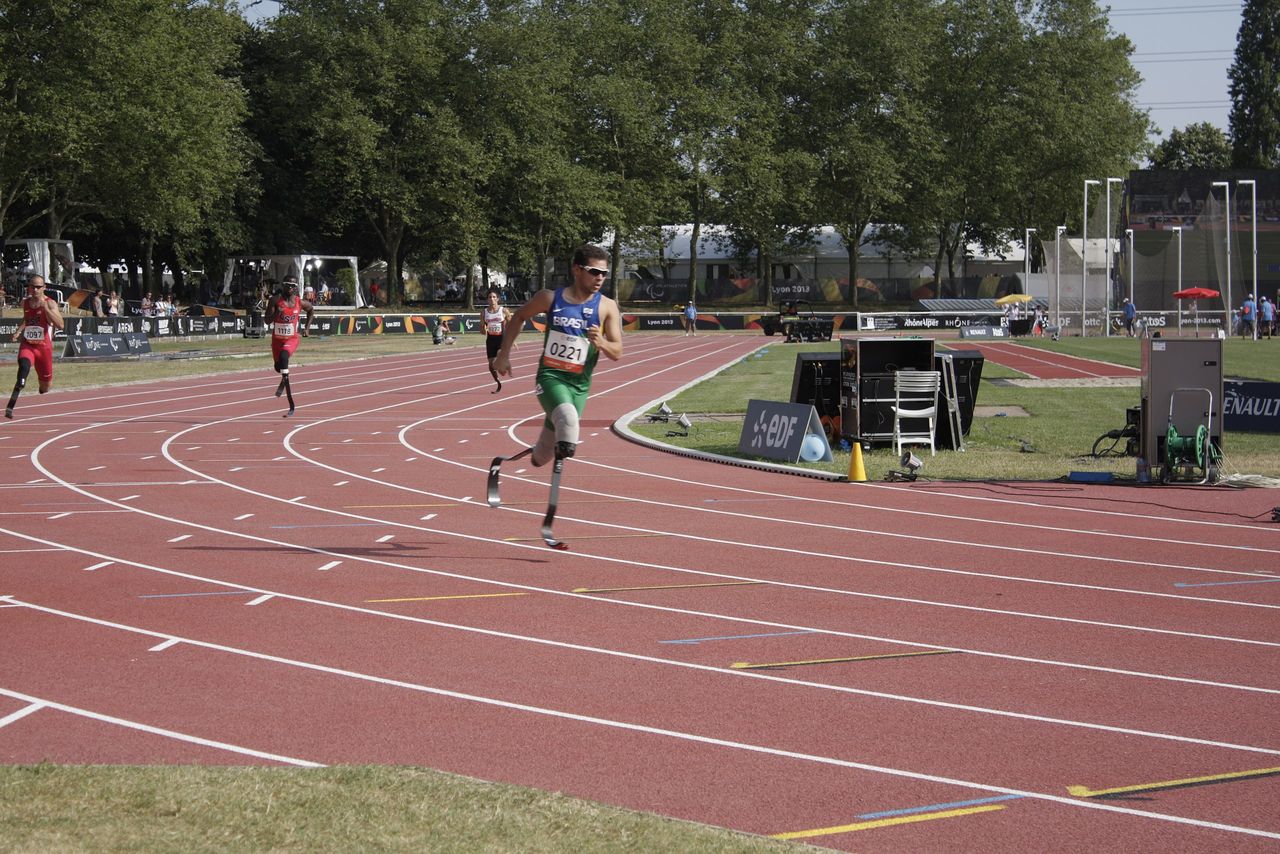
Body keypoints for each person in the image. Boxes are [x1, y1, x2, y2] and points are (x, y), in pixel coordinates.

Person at [492, 243, 623, 468]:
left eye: (604, 273)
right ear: (577, 270)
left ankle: (538, 452)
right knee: (568, 423)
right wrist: (504, 355)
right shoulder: (550, 298)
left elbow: (618, 351)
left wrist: (602, 343)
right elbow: (519, 316)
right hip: (551, 377)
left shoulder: (607, 306)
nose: (600, 278)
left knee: (543, 457)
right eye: (594, 271)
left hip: (580, 385)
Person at [7, 275, 64, 419]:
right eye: (33, 287)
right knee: (24, 364)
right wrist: (18, 331)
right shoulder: (25, 302)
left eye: (38, 287)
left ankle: (41, 387)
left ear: (44, 288)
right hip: (28, 344)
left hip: (44, 348)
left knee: (45, 387)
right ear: (29, 288)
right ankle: (20, 384)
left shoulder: (50, 303)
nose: (35, 290)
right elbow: (27, 319)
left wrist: (46, 309)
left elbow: (60, 325)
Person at [265, 275, 314, 415]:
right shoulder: (275, 300)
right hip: (277, 340)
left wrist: (307, 328)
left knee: (284, 357)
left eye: (294, 286)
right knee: (278, 367)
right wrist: (276, 313)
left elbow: (311, 310)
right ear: (284, 285)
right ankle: (283, 375)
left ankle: (290, 399)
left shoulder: (299, 302)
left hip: (291, 339)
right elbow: (267, 321)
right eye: (289, 285)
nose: (292, 288)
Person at [481, 290, 512, 392]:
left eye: (494, 297)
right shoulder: (484, 312)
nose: (492, 299)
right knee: (491, 366)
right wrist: (483, 328)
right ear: (487, 299)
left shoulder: (504, 311)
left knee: (499, 357)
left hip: (501, 339)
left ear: (497, 299)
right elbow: (482, 330)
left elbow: (512, 325)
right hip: (490, 340)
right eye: (490, 297)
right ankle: (498, 382)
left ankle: (503, 363)